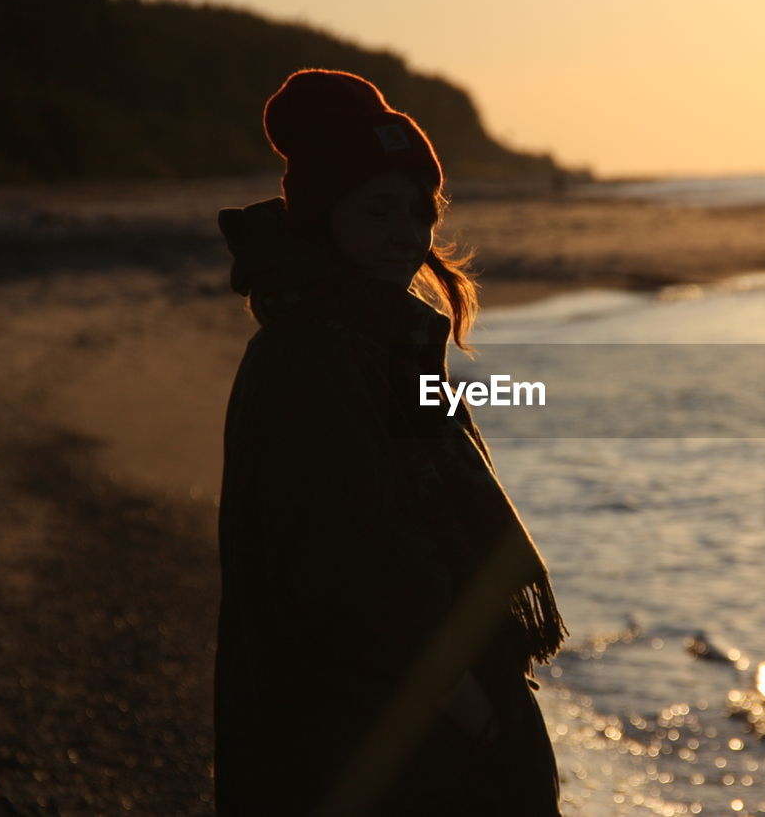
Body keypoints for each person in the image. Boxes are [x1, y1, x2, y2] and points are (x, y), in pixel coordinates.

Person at [213, 68, 568, 817]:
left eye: (418, 212)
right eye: (379, 210)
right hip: (370, 751)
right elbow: (359, 577)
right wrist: (480, 720)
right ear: (323, 216)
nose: (406, 236)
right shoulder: (314, 356)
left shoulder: (376, 339)